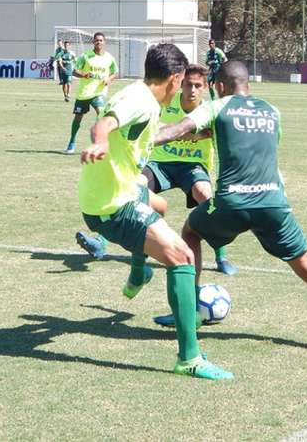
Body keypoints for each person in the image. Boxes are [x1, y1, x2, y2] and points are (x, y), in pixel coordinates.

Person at [153, 60, 307, 354]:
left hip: (232, 203)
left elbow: (178, 129)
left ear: (217, 87)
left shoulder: (217, 107)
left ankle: (189, 312)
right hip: (273, 203)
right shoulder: (272, 111)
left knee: (191, 231)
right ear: (249, 86)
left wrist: (138, 139)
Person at [78, 42, 232, 380]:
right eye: (183, 82)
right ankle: (189, 358)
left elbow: (137, 131)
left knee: (159, 205)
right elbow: (104, 123)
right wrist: (101, 139)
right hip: (113, 204)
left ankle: (138, 271)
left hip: (121, 191)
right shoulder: (139, 100)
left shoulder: (143, 95)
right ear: (176, 79)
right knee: (182, 257)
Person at [65, 32, 118, 154]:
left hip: (99, 92)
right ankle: (72, 141)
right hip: (84, 93)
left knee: (101, 114)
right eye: (96, 40)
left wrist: (108, 79)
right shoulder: (85, 57)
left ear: (104, 42)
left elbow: (115, 72)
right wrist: (84, 74)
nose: (98, 42)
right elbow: (74, 71)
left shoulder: (109, 58)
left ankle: (98, 143)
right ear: (93, 42)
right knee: (78, 117)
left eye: (101, 40)